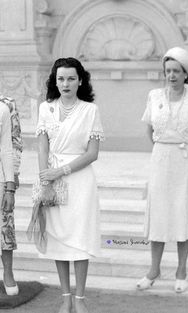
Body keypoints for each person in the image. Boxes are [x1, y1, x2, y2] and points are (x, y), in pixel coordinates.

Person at [137, 47, 188, 293]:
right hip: (161, 160)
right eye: (168, 71)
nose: (171, 76)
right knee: (158, 213)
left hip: (186, 162)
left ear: (185, 74)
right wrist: (163, 147)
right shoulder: (154, 96)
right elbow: (149, 129)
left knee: (182, 213)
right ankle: (154, 269)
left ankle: (181, 270)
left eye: (177, 71)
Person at [36, 57, 104, 313]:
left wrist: (61, 171)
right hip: (51, 181)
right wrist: (46, 178)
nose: (65, 83)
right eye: (61, 78)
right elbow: (42, 145)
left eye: (71, 78)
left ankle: (80, 298)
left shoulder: (90, 110)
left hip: (80, 181)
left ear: (80, 80)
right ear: (55, 81)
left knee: (79, 238)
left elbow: (92, 153)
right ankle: (65, 296)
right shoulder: (46, 108)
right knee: (59, 239)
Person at [0, 95, 23, 296]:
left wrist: (9, 186)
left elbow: (7, 149)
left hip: (0, 180)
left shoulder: (4, 108)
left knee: (5, 226)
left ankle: (8, 273)